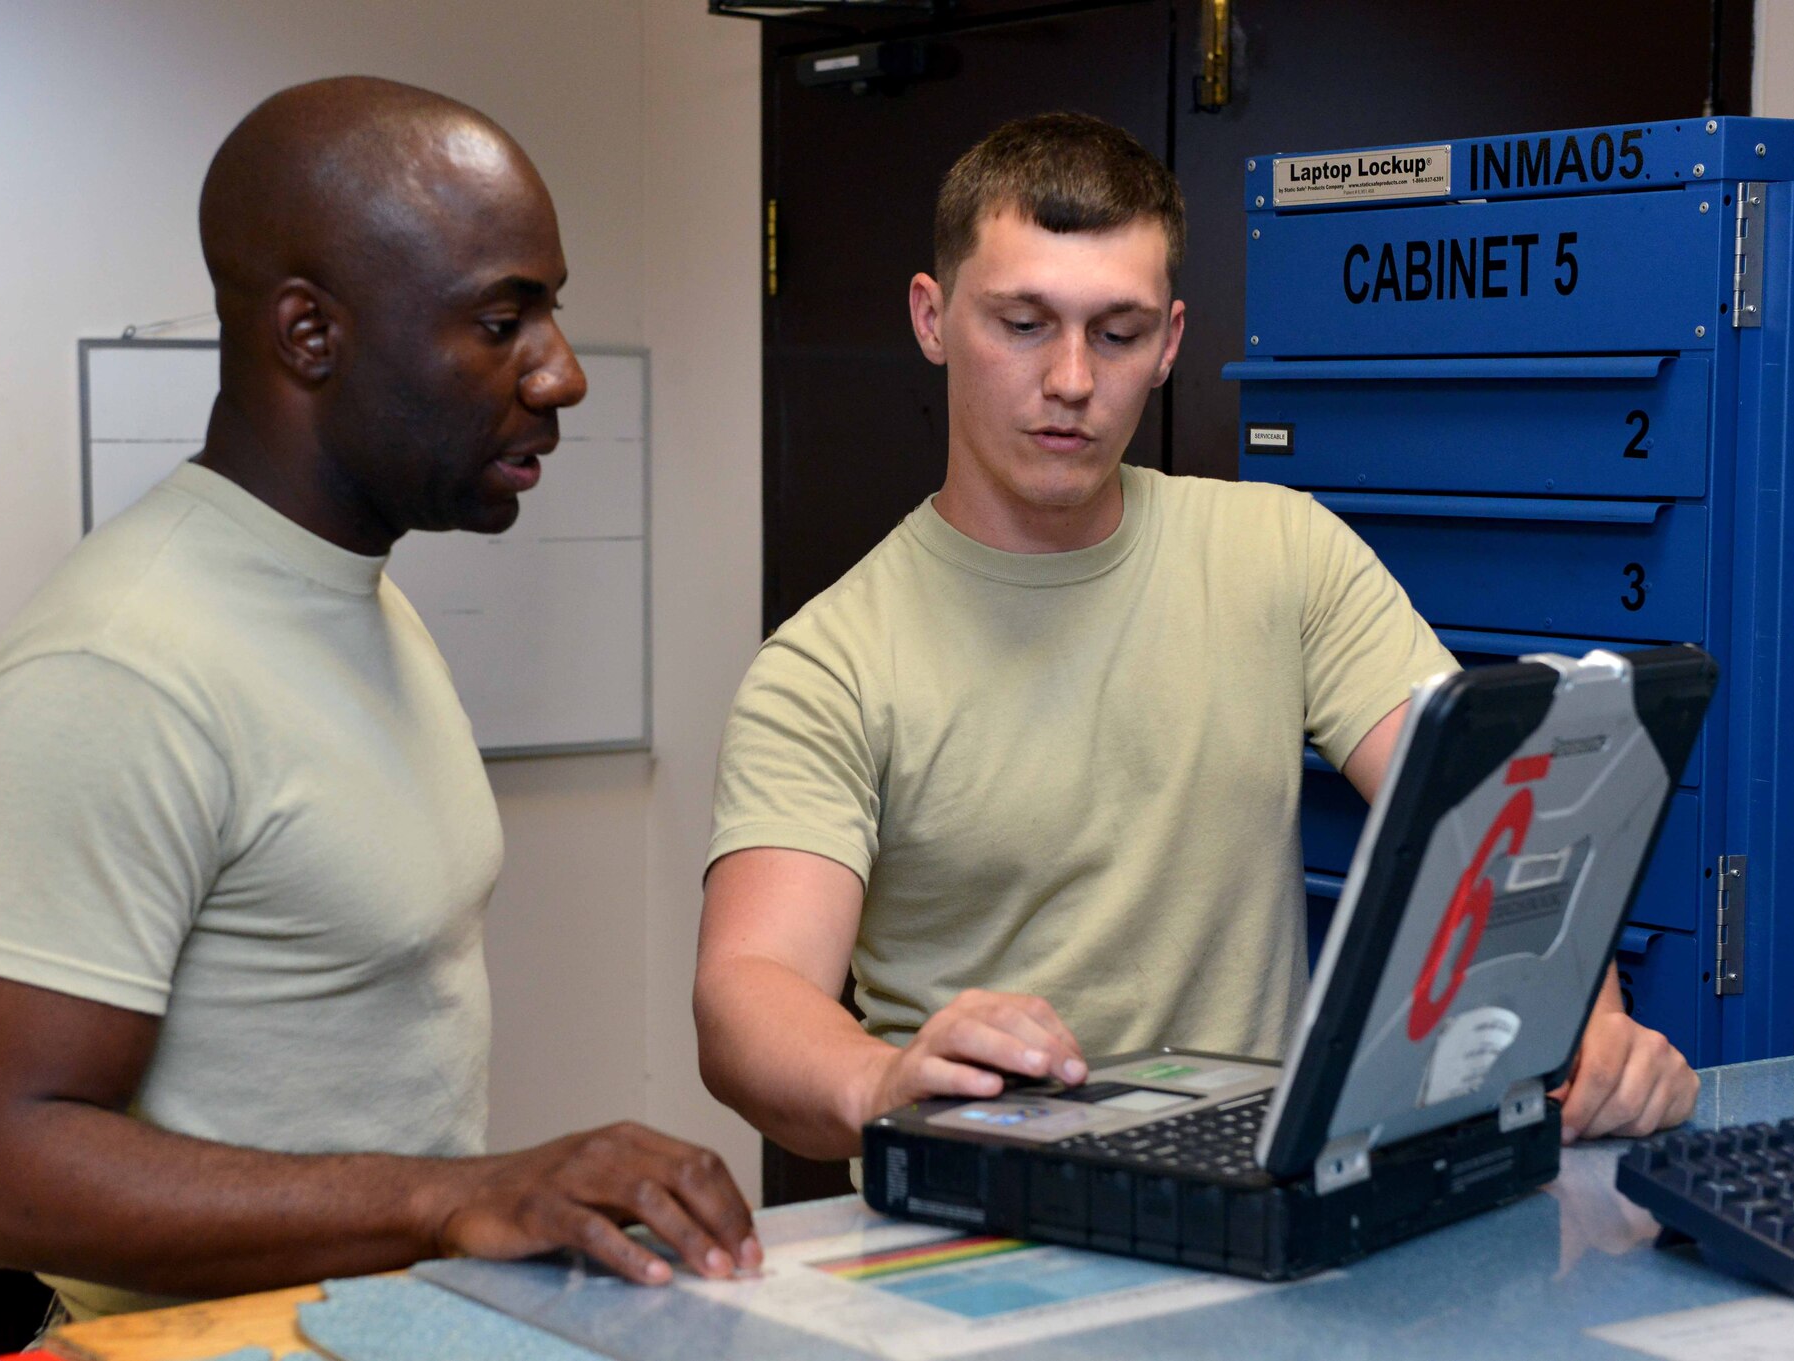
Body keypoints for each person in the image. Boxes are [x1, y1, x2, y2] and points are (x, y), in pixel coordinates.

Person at [692, 112, 1698, 1165]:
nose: (1072, 379)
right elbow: (747, 991)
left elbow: (1499, 815)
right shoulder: (826, 665)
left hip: (1242, 1199)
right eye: (1022, 323)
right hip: (978, 1205)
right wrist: (880, 1079)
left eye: (1115, 333)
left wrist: (1592, 1029)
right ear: (932, 318)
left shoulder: (1278, 554)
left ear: (1170, 341)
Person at [0, 77, 756, 1322]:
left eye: (551, 313)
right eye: (499, 321)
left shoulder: (359, 601)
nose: (561, 374)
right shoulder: (117, 664)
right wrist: (449, 1196)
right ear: (309, 335)